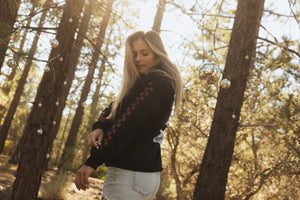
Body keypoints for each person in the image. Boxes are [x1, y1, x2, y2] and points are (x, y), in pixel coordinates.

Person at [74, 30, 183, 200]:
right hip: (142, 176)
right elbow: (115, 107)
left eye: (144, 53)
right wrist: (100, 126)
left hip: (129, 175)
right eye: (134, 54)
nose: (138, 58)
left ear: (157, 53)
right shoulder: (145, 84)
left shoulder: (156, 84)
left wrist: (92, 162)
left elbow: (127, 124)